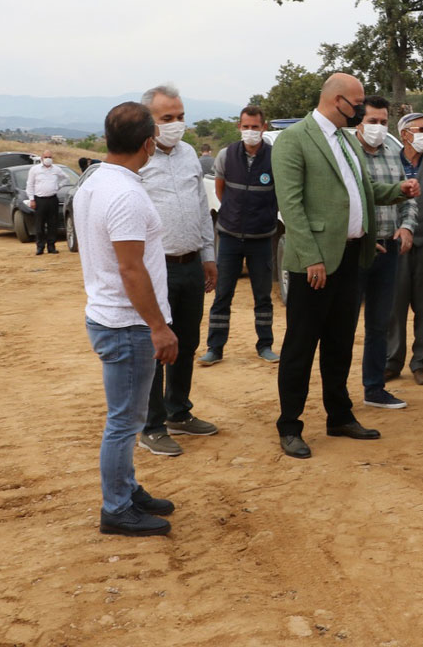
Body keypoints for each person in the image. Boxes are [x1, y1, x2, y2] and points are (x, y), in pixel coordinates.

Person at [271, 73, 420, 458]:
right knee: (301, 346)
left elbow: (363, 193)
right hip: (316, 264)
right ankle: (290, 425)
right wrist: (311, 257)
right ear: (337, 100)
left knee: (339, 343)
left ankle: (339, 416)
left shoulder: (345, 142)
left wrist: (396, 191)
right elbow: (291, 206)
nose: (359, 112)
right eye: (356, 105)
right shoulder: (294, 140)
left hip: (352, 256)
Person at [73, 101, 178, 537]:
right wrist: (158, 326)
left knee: (125, 417)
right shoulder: (125, 194)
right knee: (125, 421)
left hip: (110, 315)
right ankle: (116, 508)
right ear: (149, 144)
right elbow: (130, 268)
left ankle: (127, 488)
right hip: (127, 323)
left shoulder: (95, 181)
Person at [137, 83, 219, 457]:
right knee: (157, 346)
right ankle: (150, 425)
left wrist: (208, 254)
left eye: (180, 116)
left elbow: (202, 208)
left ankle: (178, 412)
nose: (176, 124)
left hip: (190, 265)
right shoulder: (139, 161)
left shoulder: (189, 155)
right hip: (156, 269)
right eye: (166, 118)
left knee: (186, 344)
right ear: (148, 122)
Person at [198, 106, 280, 367]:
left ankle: (265, 345)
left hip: (262, 237)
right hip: (230, 236)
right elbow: (221, 190)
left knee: (263, 296)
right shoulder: (226, 155)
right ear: (239, 127)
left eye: (255, 127)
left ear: (263, 128)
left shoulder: (275, 157)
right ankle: (215, 347)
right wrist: (234, 214)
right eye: (246, 127)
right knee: (222, 295)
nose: (250, 132)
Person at [351, 96, 418, 409]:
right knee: (344, 323)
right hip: (353, 250)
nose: (377, 128)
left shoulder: (394, 150)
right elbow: (345, 202)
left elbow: (408, 196)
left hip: (389, 249)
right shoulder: (346, 152)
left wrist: (407, 227)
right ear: (359, 122)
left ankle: (374, 389)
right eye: (372, 121)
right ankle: (337, 395)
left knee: (380, 323)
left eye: (382, 122)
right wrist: (364, 238)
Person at [385, 112, 423, 387]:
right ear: (404, 134)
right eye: (420, 129)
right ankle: (391, 361)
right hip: (394, 247)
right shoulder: (388, 163)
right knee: (393, 307)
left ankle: (422, 363)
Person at [26, 149, 67, 255]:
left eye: (50, 157)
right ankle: (40, 247)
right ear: (41, 158)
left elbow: (65, 178)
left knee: (52, 224)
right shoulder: (35, 170)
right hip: (40, 200)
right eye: (46, 157)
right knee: (39, 225)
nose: (48, 159)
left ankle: (51, 246)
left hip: (52, 199)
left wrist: (58, 186)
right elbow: (30, 185)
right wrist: (32, 199)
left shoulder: (56, 169)